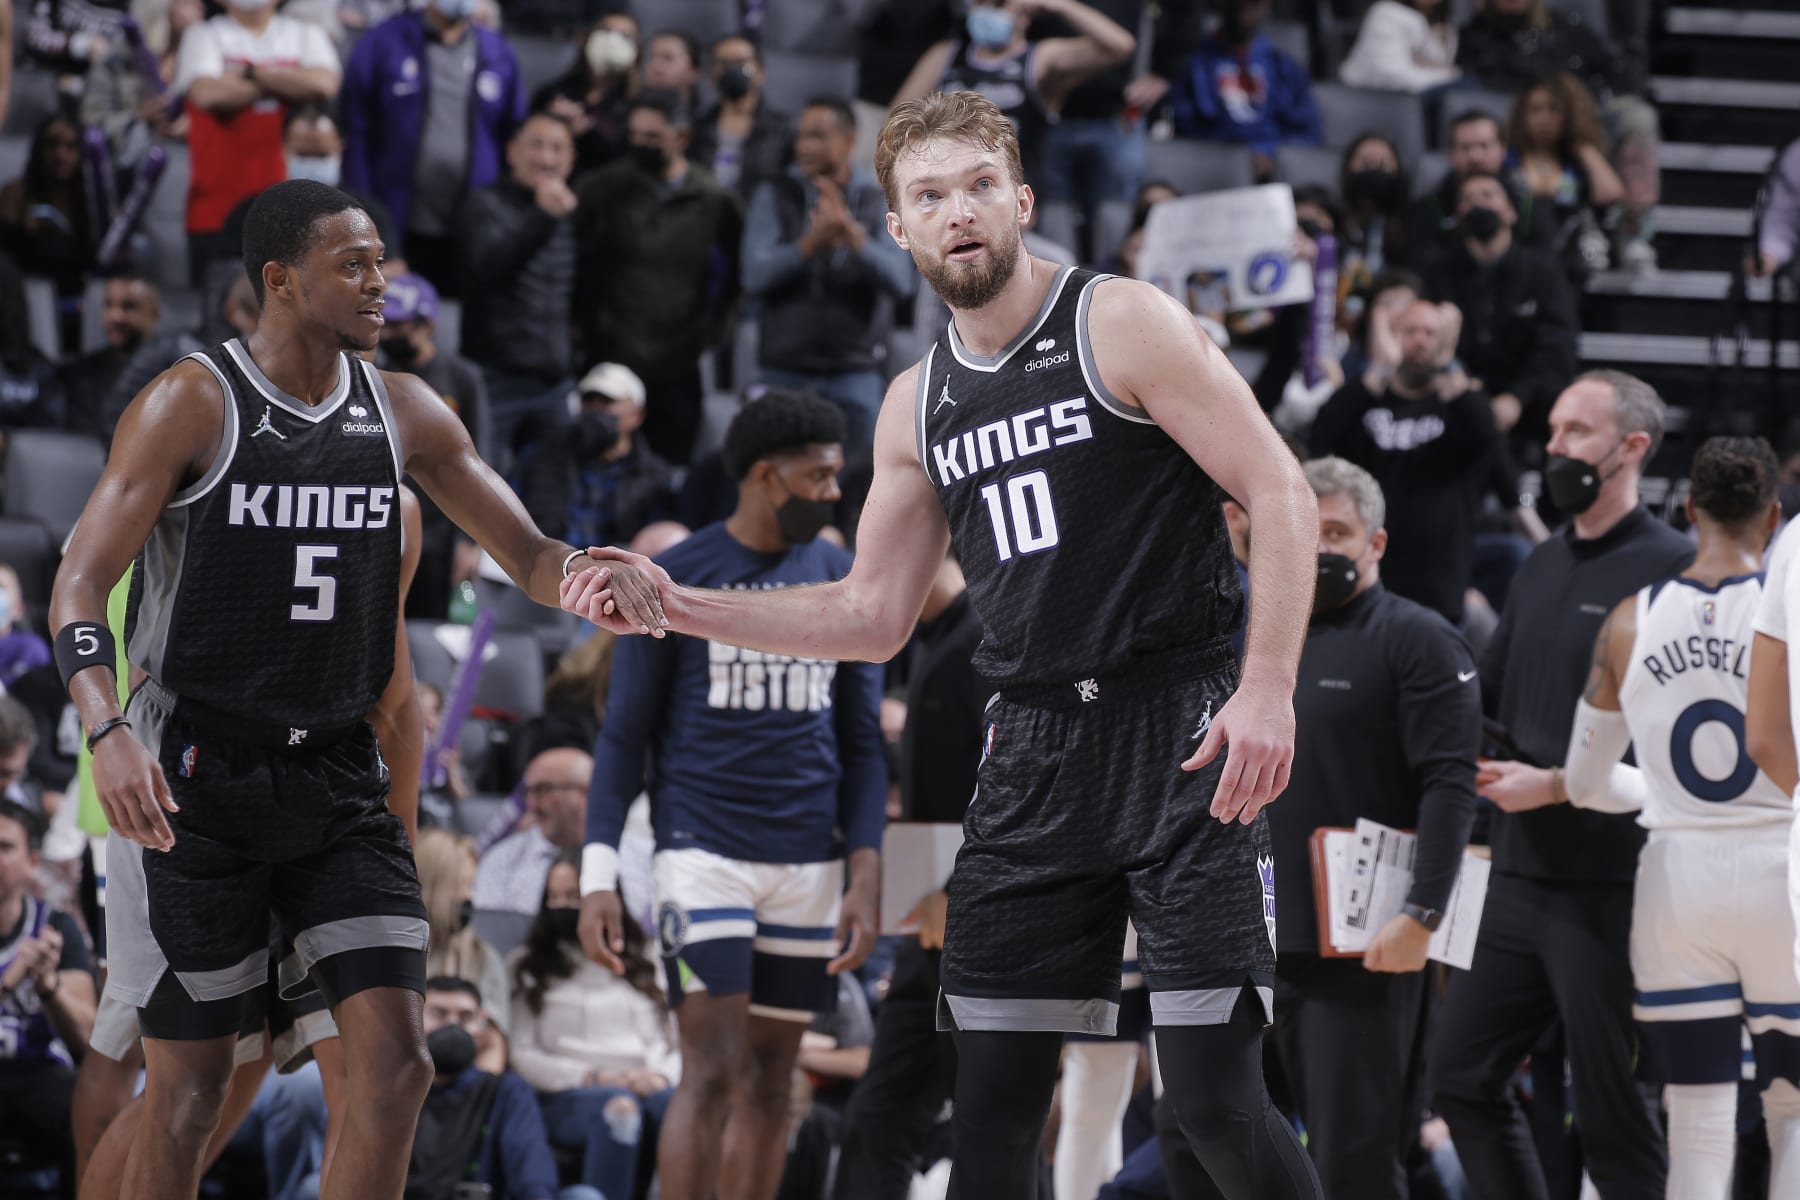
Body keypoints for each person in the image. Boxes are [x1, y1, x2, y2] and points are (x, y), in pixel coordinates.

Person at [565, 89, 1324, 1200]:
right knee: (989, 1116)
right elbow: (868, 613)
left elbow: (1281, 488)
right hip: (1034, 747)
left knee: (1210, 1100)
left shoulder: (1120, 320)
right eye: (930, 196)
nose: (958, 212)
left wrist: (1267, 688)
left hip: (1185, 722)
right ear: (899, 229)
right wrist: (674, 604)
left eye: (978, 188)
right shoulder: (914, 406)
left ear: (1019, 201)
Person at [47, 178, 661, 1200]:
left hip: (335, 780)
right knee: (195, 1086)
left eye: (384, 261)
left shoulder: (407, 411)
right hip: (195, 772)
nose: (383, 283)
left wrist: (600, 575)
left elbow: (528, 552)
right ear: (280, 282)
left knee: (399, 1068)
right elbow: (76, 579)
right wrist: (105, 727)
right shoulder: (192, 402)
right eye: (355, 264)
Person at [579, 389, 888, 1200]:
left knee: (771, 1081)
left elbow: (862, 742)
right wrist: (598, 876)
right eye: (819, 478)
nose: (832, 494)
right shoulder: (679, 575)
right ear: (764, 476)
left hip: (808, 863)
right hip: (701, 854)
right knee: (709, 1072)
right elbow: (623, 737)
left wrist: (866, 865)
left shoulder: (839, 576)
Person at [1512, 436, 1800, 1200]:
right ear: (1773, 518)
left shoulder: (1630, 620)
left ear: (1687, 509)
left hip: (1677, 884)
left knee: (1697, 1125)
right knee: (1792, 1113)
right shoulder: (1788, 621)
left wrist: (1662, 799)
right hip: (1783, 874)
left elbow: (1583, 780)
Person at [1430, 371, 1691, 1200]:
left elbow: (1685, 755)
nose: (1554, 449)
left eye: (1576, 432)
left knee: (1613, 1114)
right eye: (1551, 431)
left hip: (1610, 886)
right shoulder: (1543, 560)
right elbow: (1490, 688)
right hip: (1514, 877)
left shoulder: (1675, 571)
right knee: (1461, 1077)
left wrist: (1558, 783)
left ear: (1632, 449)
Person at [1264, 457, 1479, 1197]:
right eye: (1306, 530)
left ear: (1376, 544)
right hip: (1245, 944)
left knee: (1353, 1158)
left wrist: (1422, 913)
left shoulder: (1419, 639)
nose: (1320, 548)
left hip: (1359, 953)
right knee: (1193, 1139)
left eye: (1337, 532)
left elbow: (1452, 786)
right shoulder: (1257, 639)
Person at [832, 551, 985, 1200]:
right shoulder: (931, 638)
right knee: (878, 1119)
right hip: (930, 921)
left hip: (982, 918)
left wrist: (958, 895)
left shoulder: (988, 635)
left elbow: (1019, 782)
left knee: (991, 1129)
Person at [571, 89, 742, 467]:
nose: (640, 145)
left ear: (681, 137)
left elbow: (734, 280)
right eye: (634, 136)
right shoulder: (602, 189)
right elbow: (572, 261)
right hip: (608, 355)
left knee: (669, 474)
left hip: (678, 363)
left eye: (652, 137)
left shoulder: (714, 201)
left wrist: (712, 334)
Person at [744, 96, 918, 460]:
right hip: (784, 370)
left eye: (817, 136)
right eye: (801, 136)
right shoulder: (776, 194)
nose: (804, 146)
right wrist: (810, 245)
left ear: (849, 140)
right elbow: (754, 275)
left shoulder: (877, 200)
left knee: (863, 487)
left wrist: (852, 236)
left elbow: (901, 281)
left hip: (855, 373)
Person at [1310, 298, 1500, 625]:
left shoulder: (1456, 405)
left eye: (1431, 333)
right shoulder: (1365, 401)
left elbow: (1486, 435)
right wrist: (1381, 368)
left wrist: (1448, 364)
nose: (1421, 340)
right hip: (1370, 578)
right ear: (1390, 337)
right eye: (1409, 331)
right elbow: (1323, 437)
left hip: (1438, 584)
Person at [510, 853, 678, 1200]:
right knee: (619, 1109)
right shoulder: (528, 966)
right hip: (570, 1092)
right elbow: (523, 1055)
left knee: (678, 1106)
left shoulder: (646, 960)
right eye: (554, 898)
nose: (562, 906)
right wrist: (593, 1076)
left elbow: (679, 1044)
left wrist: (660, 1076)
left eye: (573, 897)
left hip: (648, 1082)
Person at [339, 0, 526, 293]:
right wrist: (362, 209)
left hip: (471, 222)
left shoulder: (498, 51)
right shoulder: (382, 42)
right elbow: (355, 129)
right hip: (394, 218)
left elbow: (513, 135)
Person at [173, 0, 339, 281]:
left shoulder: (306, 34)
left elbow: (323, 84)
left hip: (293, 214)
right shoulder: (203, 34)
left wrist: (251, 74)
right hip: (215, 208)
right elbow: (208, 93)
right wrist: (287, 84)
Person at [409, 975, 602, 1200]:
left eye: (466, 1017)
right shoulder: (395, 1093)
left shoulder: (505, 1091)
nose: (453, 1025)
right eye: (439, 1014)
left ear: (482, 1026)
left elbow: (531, 1173)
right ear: (415, 1020)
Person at [895, 0, 1137, 178]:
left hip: (1015, 194)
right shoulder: (946, 55)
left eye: (999, 4)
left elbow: (1121, 46)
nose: (985, 10)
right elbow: (898, 120)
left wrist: (1061, 5)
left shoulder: (1040, 59)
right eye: (982, 4)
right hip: (948, 183)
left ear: (1025, 13)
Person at [1423, 171, 1577, 446]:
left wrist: (1517, 397)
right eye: (1468, 199)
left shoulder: (1542, 271)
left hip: (1528, 395)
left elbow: (1557, 345)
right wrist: (1464, 385)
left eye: (1487, 196)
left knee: (1558, 395)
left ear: (1510, 212)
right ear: (1458, 215)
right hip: (1459, 390)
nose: (1477, 204)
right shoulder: (1438, 272)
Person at [461, 112, 581, 465]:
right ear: (512, 152)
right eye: (537, 145)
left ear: (571, 160)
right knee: (486, 492)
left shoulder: (572, 211)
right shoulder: (483, 204)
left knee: (553, 496)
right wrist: (542, 218)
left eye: (558, 148)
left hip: (555, 382)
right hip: (495, 379)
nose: (546, 158)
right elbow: (489, 268)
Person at [0, 797, 99, 1197]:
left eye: (5, 848)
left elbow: (90, 1038)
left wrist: (48, 987)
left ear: (32, 861)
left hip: (37, 1072)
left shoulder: (55, 927)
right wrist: (11, 981)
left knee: (89, 1105)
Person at [520, 360, 675, 556]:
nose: (596, 409)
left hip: (617, 574)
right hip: (546, 564)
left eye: (607, 402)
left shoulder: (655, 477)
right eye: (589, 400)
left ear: (637, 414)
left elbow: (659, 542)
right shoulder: (544, 456)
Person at [1164, 0, 1322, 179]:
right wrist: (1236, 160)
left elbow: (1308, 132)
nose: (1244, 7)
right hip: (1212, 173)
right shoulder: (1195, 66)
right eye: (1237, 3)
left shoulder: (1285, 68)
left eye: (1253, 2)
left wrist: (1271, 153)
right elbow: (1185, 131)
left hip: (1273, 176)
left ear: (1267, 5)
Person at [1504, 73, 1622, 281]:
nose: (1544, 119)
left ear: (1568, 116)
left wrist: (1582, 145)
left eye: (1553, 110)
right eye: (1536, 109)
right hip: (1519, 254)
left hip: (1570, 258)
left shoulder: (1575, 164)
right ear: (1522, 115)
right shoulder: (1509, 159)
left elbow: (1610, 194)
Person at [473, 748, 594, 943]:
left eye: (544, 790)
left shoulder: (634, 856)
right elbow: (489, 939)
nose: (532, 804)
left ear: (585, 793)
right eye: (528, 792)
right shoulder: (502, 859)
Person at [1407, 111, 1555, 269]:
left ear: (1503, 150)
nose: (1475, 157)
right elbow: (1421, 266)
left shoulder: (1528, 207)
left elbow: (1547, 265)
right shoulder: (1429, 209)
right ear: (1451, 153)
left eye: (1484, 146)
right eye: (1465, 147)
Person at [416, 829, 511, 1069]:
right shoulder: (385, 954)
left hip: (461, 1087)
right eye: (462, 885)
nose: (469, 896)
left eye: (472, 885)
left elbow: (492, 1046)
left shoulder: (482, 957)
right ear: (431, 887)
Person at [532, 10, 640, 175]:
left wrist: (590, 134)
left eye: (625, 36)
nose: (612, 41)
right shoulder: (554, 92)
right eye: (605, 31)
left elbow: (628, 160)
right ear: (586, 37)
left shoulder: (639, 104)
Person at [690, 34, 793, 201]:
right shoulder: (697, 127)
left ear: (760, 72)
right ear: (711, 74)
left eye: (740, 62)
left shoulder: (782, 130)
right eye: (723, 63)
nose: (732, 70)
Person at [1337, 0, 1460, 93]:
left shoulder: (1446, 27)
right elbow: (1390, 76)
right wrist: (1447, 76)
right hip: (1365, 96)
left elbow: (1438, 64)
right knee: (1464, 86)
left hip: (1416, 99)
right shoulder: (1386, 13)